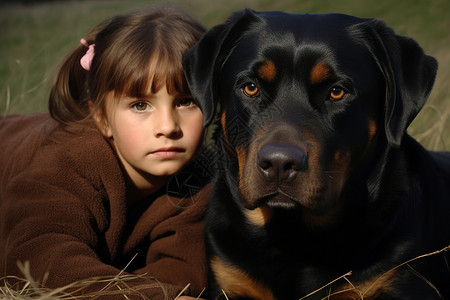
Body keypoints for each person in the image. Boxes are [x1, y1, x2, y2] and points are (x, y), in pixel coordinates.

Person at [0, 5, 210, 299]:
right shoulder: (68, 160)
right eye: (140, 105)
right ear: (101, 117)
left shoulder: (197, 180)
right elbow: (36, 261)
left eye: (186, 101)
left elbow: (184, 273)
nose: (168, 126)